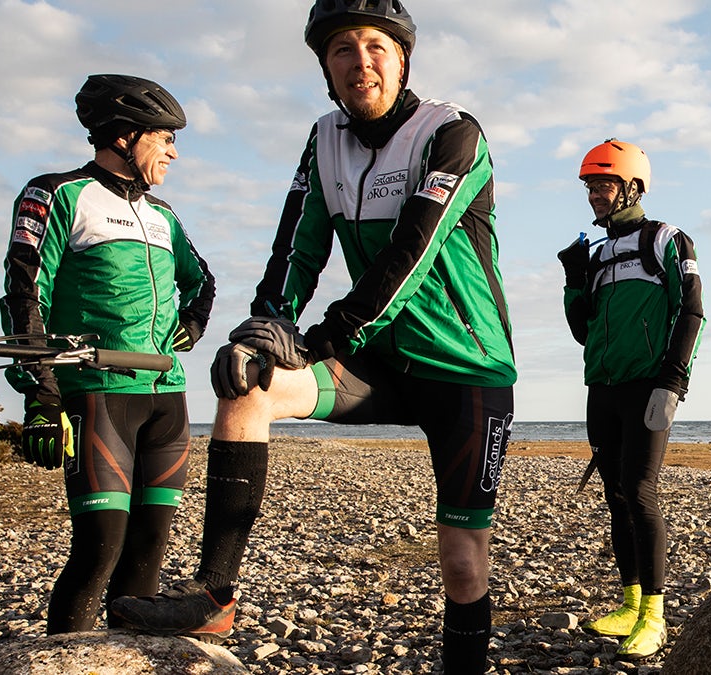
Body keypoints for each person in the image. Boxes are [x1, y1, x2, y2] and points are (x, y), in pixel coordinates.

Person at [108, 2, 516, 672]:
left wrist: (324, 334)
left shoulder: (453, 133)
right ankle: (216, 591)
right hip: (377, 360)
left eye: (376, 46)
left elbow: (411, 251)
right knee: (247, 385)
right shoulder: (323, 139)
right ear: (326, 68)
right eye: (343, 50)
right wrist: (264, 328)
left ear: (403, 56)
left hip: (466, 366)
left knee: (463, 562)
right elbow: (296, 249)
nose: (361, 62)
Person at [0, 73, 215, 634]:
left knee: (149, 552)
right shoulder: (58, 193)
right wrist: (42, 399)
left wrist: (189, 324)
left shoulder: (163, 214)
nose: (174, 151)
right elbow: (26, 295)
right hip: (97, 395)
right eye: (165, 137)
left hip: (167, 398)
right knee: (100, 550)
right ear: (124, 136)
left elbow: (202, 281)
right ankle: (60, 660)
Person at [557, 139, 705, 658]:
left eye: (603, 184)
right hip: (602, 387)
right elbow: (582, 330)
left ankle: (656, 616)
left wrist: (673, 380)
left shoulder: (667, 239)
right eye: (590, 186)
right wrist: (575, 279)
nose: (595, 195)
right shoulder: (597, 254)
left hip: (648, 385)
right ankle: (630, 602)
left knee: (640, 491)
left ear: (632, 187)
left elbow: (691, 312)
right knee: (615, 495)